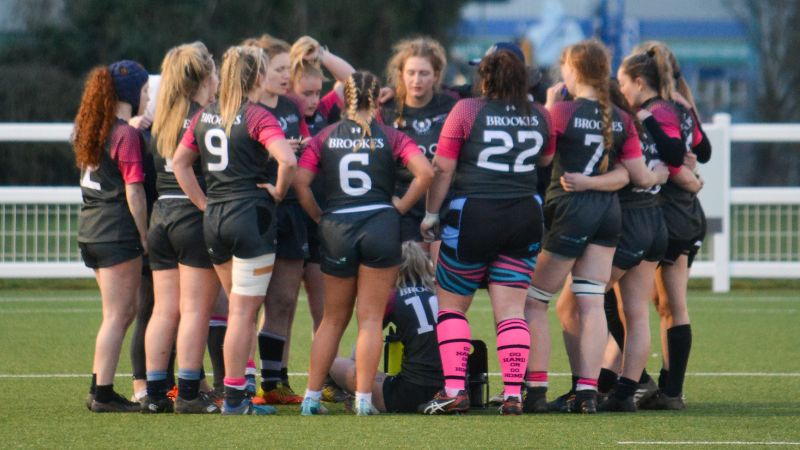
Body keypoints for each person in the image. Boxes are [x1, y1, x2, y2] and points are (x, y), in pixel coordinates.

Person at [417, 47, 553, 416]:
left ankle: (454, 390)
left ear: (485, 77)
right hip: (524, 214)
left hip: (474, 215)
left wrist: (431, 214)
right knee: (512, 311)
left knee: (452, 307)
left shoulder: (467, 110)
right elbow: (545, 158)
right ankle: (513, 394)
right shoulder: (541, 114)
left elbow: (442, 168)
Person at [295, 71, 433, 416]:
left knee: (332, 319)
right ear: (378, 100)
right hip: (380, 225)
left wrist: (318, 216)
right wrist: (400, 207)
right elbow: (426, 173)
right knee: (370, 319)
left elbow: (300, 182)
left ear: (345, 99)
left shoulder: (325, 136)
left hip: (337, 227)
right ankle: (363, 400)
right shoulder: (392, 136)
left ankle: (311, 398)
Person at [171, 45, 297, 415]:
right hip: (250, 218)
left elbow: (180, 163)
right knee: (243, 314)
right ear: (257, 76)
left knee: (236, 310)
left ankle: (235, 393)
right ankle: (237, 397)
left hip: (215, 219)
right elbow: (288, 160)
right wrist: (278, 191)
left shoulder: (205, 114)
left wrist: (202, 202)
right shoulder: (256, 115)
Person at [524, 40, 646, 414]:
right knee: (591, 302)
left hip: (571, 211)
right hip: (608, 213)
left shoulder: (562, 111)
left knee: (534, 300)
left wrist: (547, 109)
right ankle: (587, 393)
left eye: (564, 67)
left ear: (573, 70)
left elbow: (543, 157)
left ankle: (535, 390)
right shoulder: (621, 117)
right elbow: (634, 174)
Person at [551, 80, 670, 412]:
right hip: (654, 222)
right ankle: (625, 393)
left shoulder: (610, 129)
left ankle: (583, 389)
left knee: (571, 305)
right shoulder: (638, 127)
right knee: (634, 311)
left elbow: (628, 176)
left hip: (628, 224)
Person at [628, 42, 710, 410]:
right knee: (664, 303)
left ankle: (649, 385)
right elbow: (702, 151)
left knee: (654, 303)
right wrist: (690, 173)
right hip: (684, 211)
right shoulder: (680, 103)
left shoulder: (658, 110)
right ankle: (666, 387)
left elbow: (674, 156)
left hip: (668, 211)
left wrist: (685, 173)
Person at [141, 42, 221, 414]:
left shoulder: (163, 119)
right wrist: (205, 205)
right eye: (215, 73)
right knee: (194, 311)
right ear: (205, 77)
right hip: (191, 214)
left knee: (164, 310)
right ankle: (188, 393)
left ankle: (156, 394)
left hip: (161, 216)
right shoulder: (204, 118)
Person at [74, 60, 150, 412]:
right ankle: (102, 393)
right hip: (115, 231)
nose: (148, 96)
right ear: (132, 94)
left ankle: (99, 387)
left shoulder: (93, 129)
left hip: (90, 228)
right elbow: (134, 192)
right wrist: (145, 236)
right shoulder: (125, 135)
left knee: (120, 312)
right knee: (118, 315)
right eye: (145, 90)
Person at [244, 35, 311, 404]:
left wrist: (299, 149)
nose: (287, 76)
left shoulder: (291, 106)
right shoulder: (246, 109)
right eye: (280, 69)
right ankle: (243, 379)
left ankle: (274, 382)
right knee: (249, 300)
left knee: (284, 300)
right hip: (258, 208)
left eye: (289, 68)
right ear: (259, 72)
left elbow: (305, 147)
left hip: (290, 210)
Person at [327, 241, 443, 413]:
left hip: (410, 393)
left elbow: (363, 346)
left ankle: (349, 394)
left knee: (333, 363)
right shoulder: (443, 296)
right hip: (449, 391)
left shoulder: (391, 297)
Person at [380, 37, 456, 245]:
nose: (416, 80)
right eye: (411, 73)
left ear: (436, 75)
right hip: (401, 204)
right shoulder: (386, 109)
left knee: (436, 265)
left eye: (424, 73)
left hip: (443, 205)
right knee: (408, 264)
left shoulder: (452, 106)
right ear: (401, 74)